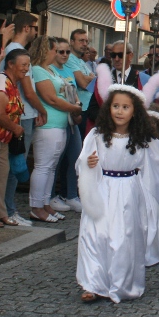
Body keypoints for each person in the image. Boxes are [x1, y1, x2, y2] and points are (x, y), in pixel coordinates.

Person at [76, 83, 159, 303]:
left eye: (125, 107)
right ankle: (93, 283)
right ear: (108, 109)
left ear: (135, 112)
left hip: (129, 192)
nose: (119, 111)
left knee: (123, 239)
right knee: (95, 235)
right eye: (115, 106)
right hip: (101, 189)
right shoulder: (97, 134)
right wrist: (88, 163)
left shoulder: (142, 139)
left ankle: (121, 284)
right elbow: (82, 161)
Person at [1, 12, 47, 227]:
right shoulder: (16, 52)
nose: (36, 32)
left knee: (13, 164)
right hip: (22, 114)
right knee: (15, 164)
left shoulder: (13, 50)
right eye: (34, 28)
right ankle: (8, 209)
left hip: (22, 113)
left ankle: (7, 208)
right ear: (27, 28)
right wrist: (42, 110)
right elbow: (28, 91)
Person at [28, 36, 80, 224]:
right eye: (54, 49)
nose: (57, 53)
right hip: (49, 125)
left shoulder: (51, 70)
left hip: (60, 124)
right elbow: (51, 98)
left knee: (51, 167)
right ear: (46, 50)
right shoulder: (38, 70)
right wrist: (74, 108)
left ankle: (45, 203)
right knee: (43, 166)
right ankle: (36, 206)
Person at [0, 48, 28, 227]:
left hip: (4, 138)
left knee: (2, 175)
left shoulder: (13, 83)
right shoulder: (1, 81)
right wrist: (16, 128)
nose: (26, 68)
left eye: (28, 65)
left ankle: (0, 213)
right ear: (11, 64)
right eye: (23, 64)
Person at [54, 31, 92, 214]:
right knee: (57, 159)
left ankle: (70, 194)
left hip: (76, 114)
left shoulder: (76, 65)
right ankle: (55, 195)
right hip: (60, 117)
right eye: (61, 52)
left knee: (75, 155)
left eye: (66, 52)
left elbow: (80, 86)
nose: (64, 55)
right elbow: (85, 83)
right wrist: (92, 78)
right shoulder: (56, 68)